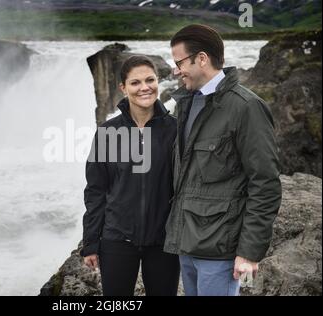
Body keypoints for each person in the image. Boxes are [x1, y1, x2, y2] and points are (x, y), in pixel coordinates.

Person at [163, 24, 282, 296]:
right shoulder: (186, 103)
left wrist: (249, 253)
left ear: (202, 59)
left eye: (179, 62)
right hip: (187, 244)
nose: (175, 70)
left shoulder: (246, 107)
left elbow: (265, 184)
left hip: (220, 253)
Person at [80, 55, 180, 296]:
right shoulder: (107, 132)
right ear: (123, 88)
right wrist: (91, 242)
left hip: (164, 242)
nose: (144, 87)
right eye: (135, 83)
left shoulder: (176, 129)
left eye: (150, 80)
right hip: (116, 240)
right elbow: (95, 190)